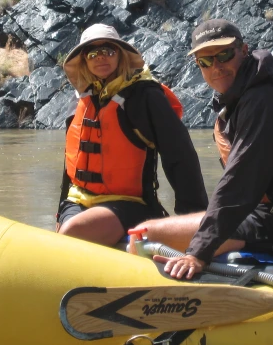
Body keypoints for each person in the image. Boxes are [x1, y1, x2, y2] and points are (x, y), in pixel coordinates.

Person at [129, 19, 273, 279]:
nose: (216, 67)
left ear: (243, 50)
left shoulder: (264, 100)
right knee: (145, 232)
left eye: (224, 55)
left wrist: (198, 251)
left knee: (147, 234)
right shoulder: (243, 99)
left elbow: (241, 181)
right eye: (205, 62)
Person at [56, 23, 208, 246]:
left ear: (120, 55)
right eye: (92, 53)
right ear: (84, 61)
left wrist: (193, 219)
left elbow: (180, 157)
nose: (101, 58)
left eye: (108, 51)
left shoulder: (146, 97)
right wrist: (61, 210)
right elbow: (71, 161)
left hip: (129, 203)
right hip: (78, 200)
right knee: (65, 229)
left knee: (73, 231)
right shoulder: (81, 99)